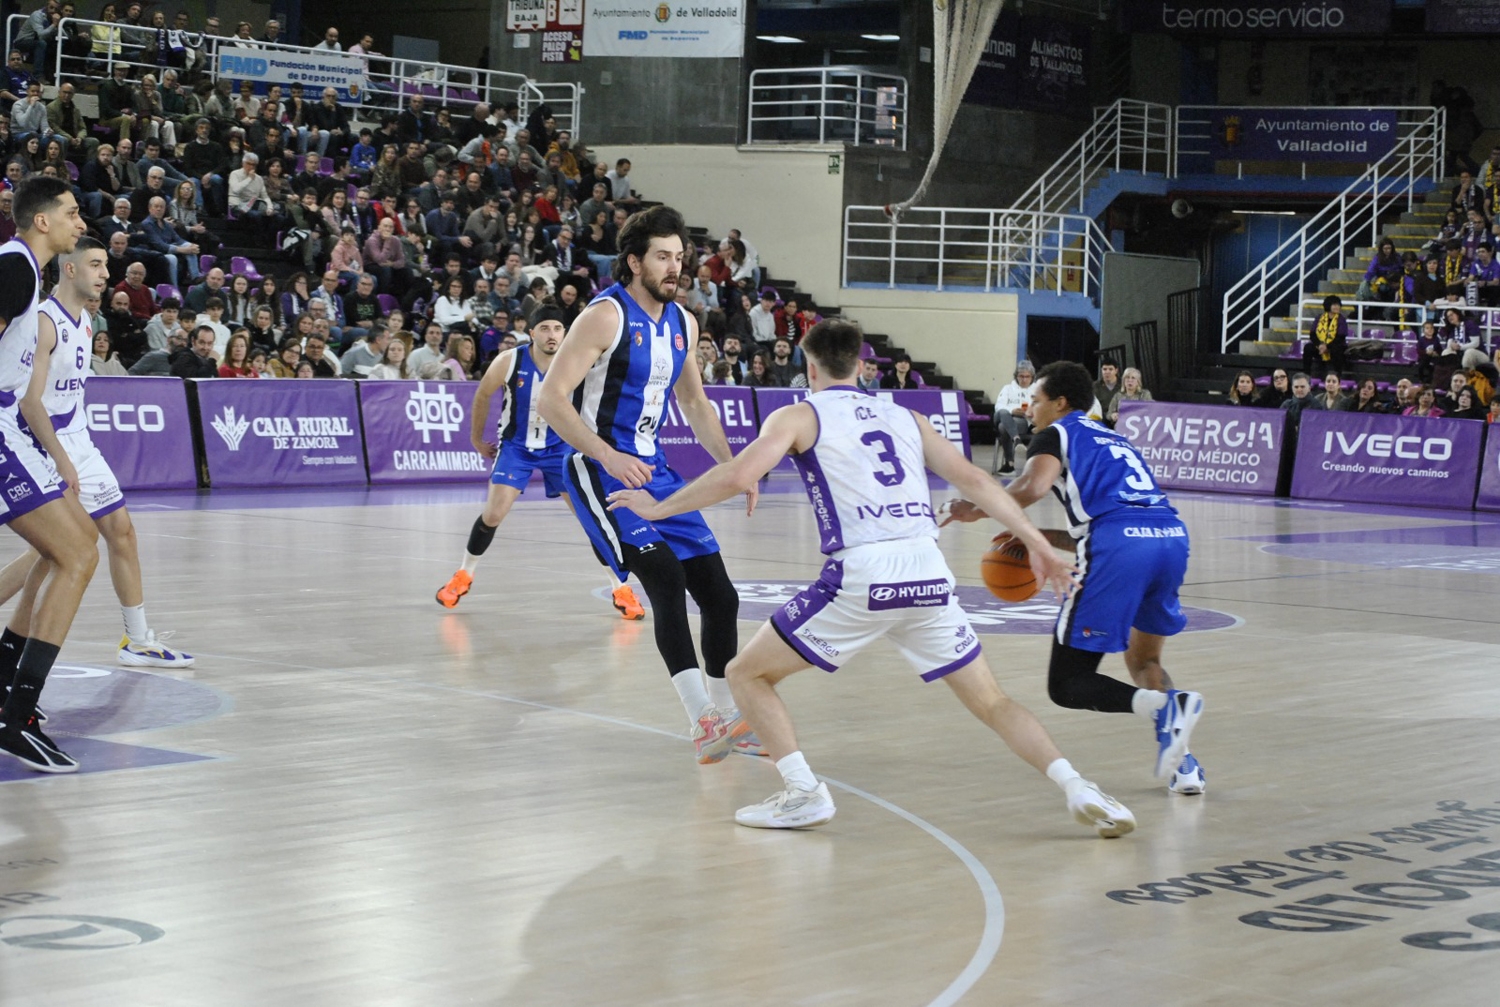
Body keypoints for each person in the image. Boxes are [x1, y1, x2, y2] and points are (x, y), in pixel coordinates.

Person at [609, 324, 1140, 834]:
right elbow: (978, 481)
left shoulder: (799, 415)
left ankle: (803, 792)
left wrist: (658, 509)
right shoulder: (907, 416)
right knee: (993, 701)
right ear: (861, 365)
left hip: (864, 575)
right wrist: (1038, 543)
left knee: (745, 674)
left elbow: (739, 474)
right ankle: (1078, 787)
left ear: (810, 366)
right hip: (929, 572)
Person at [537, 205, 760, 761]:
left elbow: (695, 403)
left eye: (679, 257)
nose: (674, 267)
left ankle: (730, 716)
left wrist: (734, 467)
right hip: (596, 466)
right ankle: (701, 719)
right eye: (662, 256)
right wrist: (608, 455)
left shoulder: (684, 322)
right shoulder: (604, 317)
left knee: (721, 596)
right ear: (634, 262)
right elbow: (552, 400)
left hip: (656, 472)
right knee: (664, 578)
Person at [940, 360, 1207, 796]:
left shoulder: (1056, 432)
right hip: (1170, 539)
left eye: (1036, 400)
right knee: (1145, 663)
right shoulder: (1114, 437)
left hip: (1120, 546)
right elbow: (1102, 521)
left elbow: (1033, 486)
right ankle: (1185, 765)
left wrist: (975, 508)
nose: (1028, 409)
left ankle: (1166, 708)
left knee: (1067, 684)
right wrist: (1039, 538)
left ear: (1060, 403)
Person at [0, 235, 193, 683]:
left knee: (120, 532)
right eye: (96, 264)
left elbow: (70, 395)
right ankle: (16, 655)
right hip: (43, 444)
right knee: (57, 553)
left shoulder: (86, 320)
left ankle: (137, 639)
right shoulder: (43, 322)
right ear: (70, 269)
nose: (106, 273)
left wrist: (78, 448)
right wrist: (61, 458)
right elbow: (31, 402)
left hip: (78, 440)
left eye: (106, 265)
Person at [435, 307, 647, 620]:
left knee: (591, 520)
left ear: (565, 333)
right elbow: (482, 394)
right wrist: (476, 439)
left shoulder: (579, 361)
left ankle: (620, 588)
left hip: (561, 448)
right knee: (493, 514)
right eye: (545, 328)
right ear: (531, 333)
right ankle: (464, 574)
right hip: (517, 447)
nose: (552, 335)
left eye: (558, 328)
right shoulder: (509, 360)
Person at [0, 176, 100, 772]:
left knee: (77, 543)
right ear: (42, 221)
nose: (79, 222)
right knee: (79, 553)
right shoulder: (15, 268)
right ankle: (15, 718)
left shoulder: (24, 271)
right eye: (71, 212)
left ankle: (7, 692)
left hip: (9, 424)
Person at [992, 359, 1035, 474]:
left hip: (1023, 421)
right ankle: (1016, 441)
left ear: (1032, 377)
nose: (1024, 379)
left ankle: (1010, 463)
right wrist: (1012, 410)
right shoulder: (1007, 388)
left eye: (1027, 376)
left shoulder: (1036, 390)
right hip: (1003, 416)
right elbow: (999, 406)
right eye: (1021, 376)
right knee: (1003, 412)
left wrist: (1027, 412)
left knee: (1003, 427)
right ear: (1016, 376)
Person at [1305, 295, 1348, 376]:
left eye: (1338, 305)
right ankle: (1306, 374)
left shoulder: (1341, 320)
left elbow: (1340, 337)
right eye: (1334, 305)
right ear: (1328, 306)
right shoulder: (1319, 318)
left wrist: (1327, 347)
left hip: (1334, 346)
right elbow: (1312, 334)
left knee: (1337, 350)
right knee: (1308, 348)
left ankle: (1337, 375)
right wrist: (1320, 345)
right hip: (1320, 346)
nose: (1337, 307)